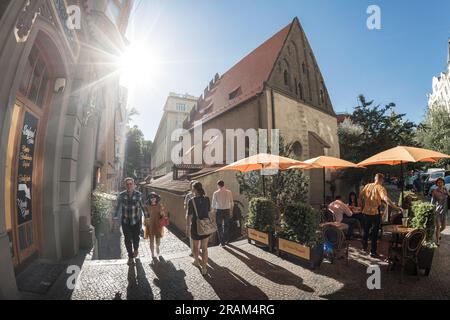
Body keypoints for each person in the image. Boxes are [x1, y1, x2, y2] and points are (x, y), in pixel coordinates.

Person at [359, 173, 402, 257]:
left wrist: (361, 205)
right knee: (375, 234)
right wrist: (396, 208)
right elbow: (385, 198)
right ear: (381, 179)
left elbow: (360, 195)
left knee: (366, 231)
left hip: (365, 212)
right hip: (375, 213)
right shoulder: (381, 188)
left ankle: (364, 247)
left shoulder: (367, 186)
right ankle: (373, 252)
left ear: (375, 178)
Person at [113, 177, 148, 266]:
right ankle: (130, 257)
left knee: (136, 238)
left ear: (133, 185)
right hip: (125, 221)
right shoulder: (121, 195)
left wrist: (147, 217)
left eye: (130, 184)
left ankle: (136, 249)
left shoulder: (139, 195)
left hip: (136, 221)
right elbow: (117, 207)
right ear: (125, 185)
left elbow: (143, 206)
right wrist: (115, 217)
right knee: (127, 239)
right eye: (127, 184)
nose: (129, 186)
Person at [187, 182, 211, 275]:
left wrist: (188, 227)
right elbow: (209, 211)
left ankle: (196, 261)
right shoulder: (207, 199)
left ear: (195, 190)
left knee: (195, 247)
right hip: (205, 225)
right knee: (204, 248)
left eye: (193, 188)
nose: (192, 190)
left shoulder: (191, 201)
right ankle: (204, 268)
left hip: (195, 226)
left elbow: (189, 216)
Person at [212, 180, 234, 246]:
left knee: (219, 226)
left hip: (219, 211)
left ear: (218, 185)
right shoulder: (229, 192)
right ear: (223, 184)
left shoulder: (215, 193)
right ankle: (226, 240)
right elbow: (232, 203)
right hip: (227, 210)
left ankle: (222, 242)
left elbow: (213, 204)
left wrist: (213, 213)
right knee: (226, 226)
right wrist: (231, 211)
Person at [144, 192, 166, 260]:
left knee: (158, 239)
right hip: (150, 225)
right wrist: (146, 221)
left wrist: (162, 213)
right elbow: (145, 216)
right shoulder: (147, 206)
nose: (153, 199)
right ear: (149, 199)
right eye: (151, 198)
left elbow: (163, 215)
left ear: (156, 198)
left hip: (158, 224)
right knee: (151, 240)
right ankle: (152, 254)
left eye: (154, 198)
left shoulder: (159, 205)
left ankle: (157, 247)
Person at [431, 178, 449, 246]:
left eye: (441, 182)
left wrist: (447, 192)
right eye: (439, 182)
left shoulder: (445, 190)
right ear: (437, 184)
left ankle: (438, 234)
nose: (440, 184)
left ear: (443, 183)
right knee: (438, 226)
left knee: (443, 227)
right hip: (437, 211)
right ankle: (438, 241)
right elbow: (432, 203)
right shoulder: (434, 192)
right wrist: (432, 210)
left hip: (445, 210)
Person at [184, 181, 197, 256]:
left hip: (193, 217)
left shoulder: (189, 196)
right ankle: (193, 250)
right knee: (193, 235)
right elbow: (185, 206)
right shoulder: (188, 196)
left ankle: (194, 250)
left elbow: (185, 207)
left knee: (193, 235)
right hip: (193, 217)